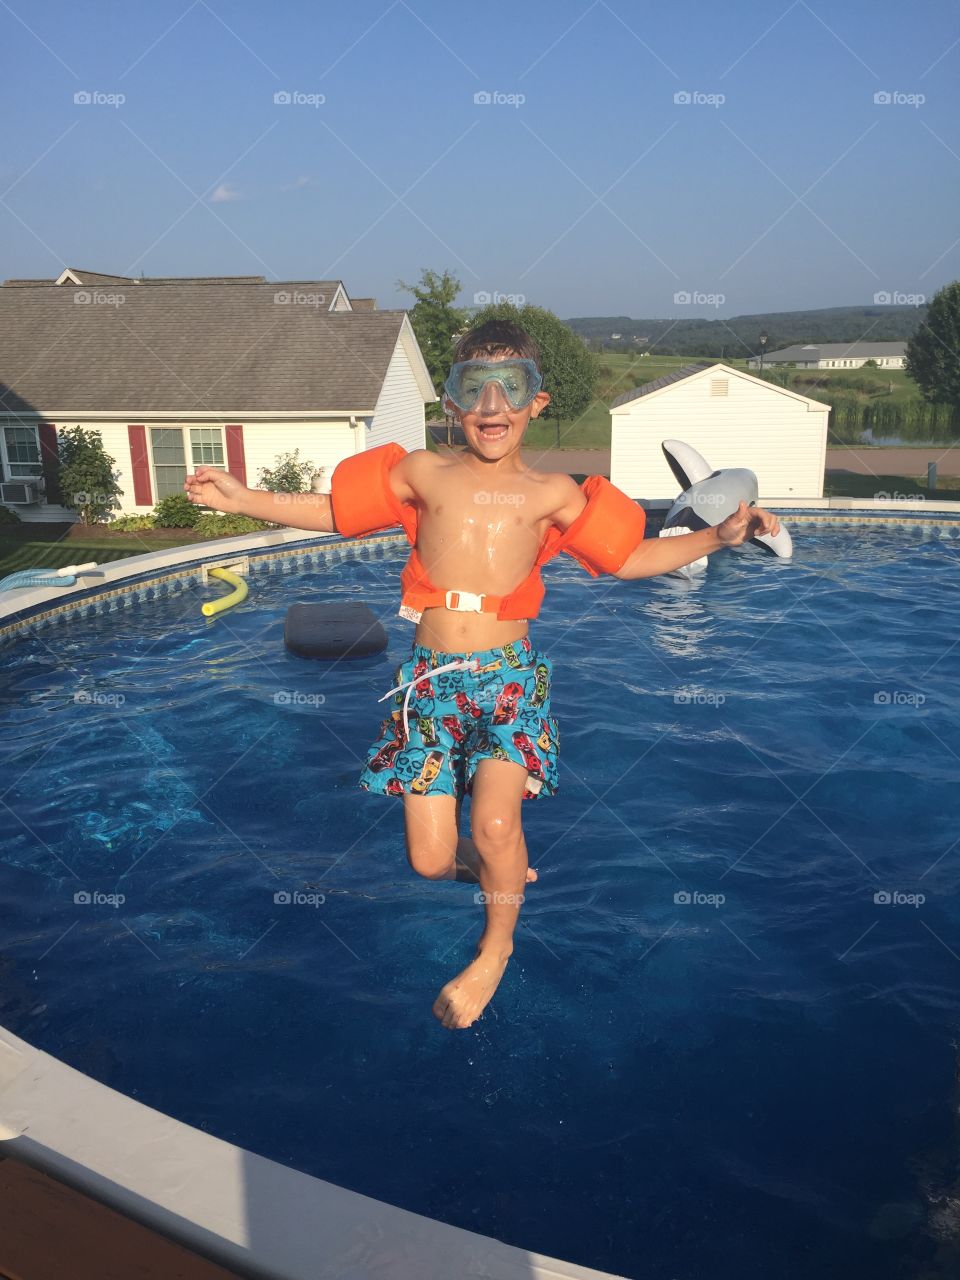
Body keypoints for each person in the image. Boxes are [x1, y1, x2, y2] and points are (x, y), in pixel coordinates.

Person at [184, 320, 781, 1030]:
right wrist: (245, 497)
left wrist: (716, 536)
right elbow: (336, 512)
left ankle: (494, 948)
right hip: (430, 683)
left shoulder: (554, 493)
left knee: (497, 822)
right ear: (450, 404)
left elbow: (628, 559)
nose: (493, 404)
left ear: (539, 402)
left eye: (514, 387)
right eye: (475, 388)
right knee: (430, 862)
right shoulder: (420, 473)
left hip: (507, 681)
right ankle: (494, 874)